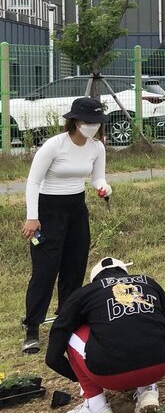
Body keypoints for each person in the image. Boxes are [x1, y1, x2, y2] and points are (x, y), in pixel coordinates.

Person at [21, 97, 112, 354]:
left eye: (96, 122)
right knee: (45, 270)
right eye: (87, 122)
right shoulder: (55, 145)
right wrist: (32, 216)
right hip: (48, 211)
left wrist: (102, 188)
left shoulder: (97, 147)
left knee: (74, 267)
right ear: (74, 121)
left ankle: (65, 323)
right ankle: (32, 327)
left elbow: (98, 177)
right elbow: (33, 182)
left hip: (76, 210)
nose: (92, 126)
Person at [45, 257, 165, 413]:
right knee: (143, 324)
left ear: (95, 280)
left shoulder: (85, 293)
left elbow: (52, 356)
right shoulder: (149, 282)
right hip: (162, 363)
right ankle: (147, 389)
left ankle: (96, 406)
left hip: (109, 374)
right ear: (125, 273)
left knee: (72, 332)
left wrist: (81, 377)